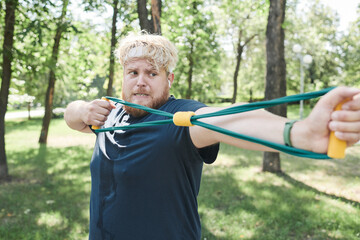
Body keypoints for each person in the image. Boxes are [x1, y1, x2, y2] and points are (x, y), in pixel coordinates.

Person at [64, 33, 360, 240]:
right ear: (123, 77)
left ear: (169, 80)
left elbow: (230, 119)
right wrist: (84, 109)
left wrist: (299, 133)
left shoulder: (180, 118)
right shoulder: (108, 115)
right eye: (133, 72)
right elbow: (71, 115)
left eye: (152, 74)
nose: (141, 82)